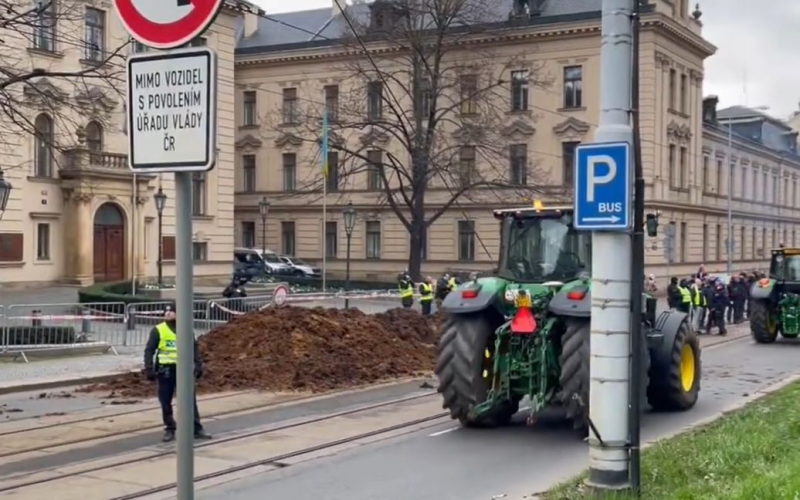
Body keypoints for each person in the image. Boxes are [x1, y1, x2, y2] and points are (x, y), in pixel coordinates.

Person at [144, 309, 212, 443]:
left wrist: (198, 365)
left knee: (189, 400)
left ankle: (196, 428)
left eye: (172, 311)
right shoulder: (158, 330)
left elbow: (194, 348)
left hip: (184, 370)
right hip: (166, 370)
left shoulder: (186, 329)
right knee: (165, 401)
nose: (168, 313)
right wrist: (149, 369)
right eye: (166, 311)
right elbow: (149, 350)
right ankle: (170, 428)